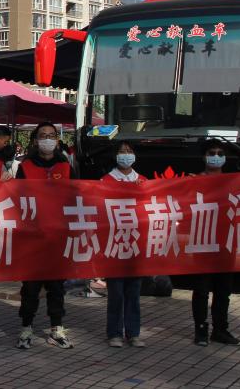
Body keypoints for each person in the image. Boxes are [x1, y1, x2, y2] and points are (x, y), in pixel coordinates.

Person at [15, 122, 74, 350]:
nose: (47, 139)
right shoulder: (26, 167)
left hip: (57, 237)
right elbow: (16, 198)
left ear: (57, 140)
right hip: (32, 238)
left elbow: (77, 195)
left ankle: (56, 329)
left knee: (56, 286)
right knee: (30, 287)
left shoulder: (66, 166)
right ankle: (26, 328)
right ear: (35, 140)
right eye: (43, 136)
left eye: (51, 136)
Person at [191, 141, 239, 347]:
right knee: (201, 289)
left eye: (220, 153)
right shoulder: (194, 181)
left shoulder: (233, 182)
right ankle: (201, 329)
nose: (216, 156)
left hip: (226, 241)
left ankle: (220, 329)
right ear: (204, 156)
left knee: (223, 290)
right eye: (212, 153)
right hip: (202, 241)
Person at [103, 141, 145, 348]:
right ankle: (114, 333)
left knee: (134, 292)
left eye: (129, 151)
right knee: (116, 292)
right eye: (122, 151)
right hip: (115, 243)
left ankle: (133, 333)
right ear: (115, 155)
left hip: (136, 243)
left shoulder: (143, 181)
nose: (126, 155)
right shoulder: (106, 180)